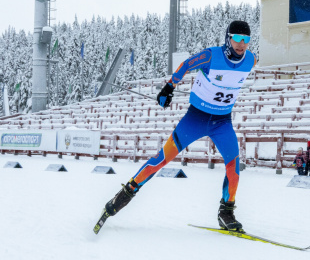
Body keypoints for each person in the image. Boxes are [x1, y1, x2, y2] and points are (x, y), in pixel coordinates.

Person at [99, 21, 256, 232]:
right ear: (228, 38)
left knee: (234, 167)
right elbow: (186, 65)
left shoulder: (251, 60)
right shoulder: (212, 55)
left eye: (246, 39)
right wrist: (169, 86)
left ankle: (226, 212)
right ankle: (125, 194)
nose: (242, 44)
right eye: (237, 38)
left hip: (222, 122)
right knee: (161, 159)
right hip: (196, 119)